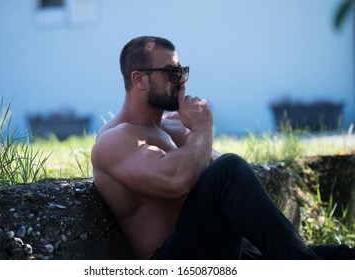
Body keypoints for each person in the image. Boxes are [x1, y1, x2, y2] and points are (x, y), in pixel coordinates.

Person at [91, 36, 354, 260]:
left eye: (182, 72)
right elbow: (180, 180)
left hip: (226, 248)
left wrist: (195, 132)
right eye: (172, 73)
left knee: (340, 256)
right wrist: (203, 128)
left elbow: (222, 184)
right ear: (139, 79)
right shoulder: (115, 140)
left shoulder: (175, 128)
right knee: (229, 167)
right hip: (175, 260)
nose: (181, 81)